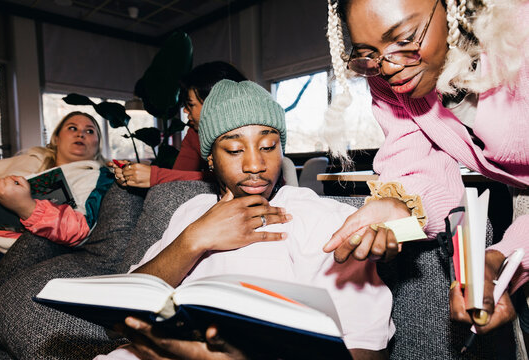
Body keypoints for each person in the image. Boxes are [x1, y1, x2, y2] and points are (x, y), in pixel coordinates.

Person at [96, 80, 394, 360]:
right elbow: (120, 313)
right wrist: (194, 240)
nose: (255, 165)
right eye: (235, 150)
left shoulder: (319, 218)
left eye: (268, 147)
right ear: (210, 158)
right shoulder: (191, 211)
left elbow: (367, 349)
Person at [322, 0, 529, 336]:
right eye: (368, 53)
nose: (387, 67)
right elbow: (418, 166)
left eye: (404, 40)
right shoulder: (391, 81)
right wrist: (401, 205)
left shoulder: (521, 29)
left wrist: (510, 254)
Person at [0, 111, 113, 273]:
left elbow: (80, 230)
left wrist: (28, 208)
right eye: (72, 128)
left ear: (98, 143)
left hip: (15, 252)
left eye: (89, 131)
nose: (81, 134)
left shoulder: (97, 176)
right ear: (56, 138)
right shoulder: (31, 159)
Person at [110, 61, 246, 187]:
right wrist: (133, 174)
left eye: (191, 104)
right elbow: (179, 176)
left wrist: (155, 176)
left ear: (216, 104)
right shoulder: (194, 133)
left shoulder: (250, 132)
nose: (185, 110)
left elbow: (233, 179)